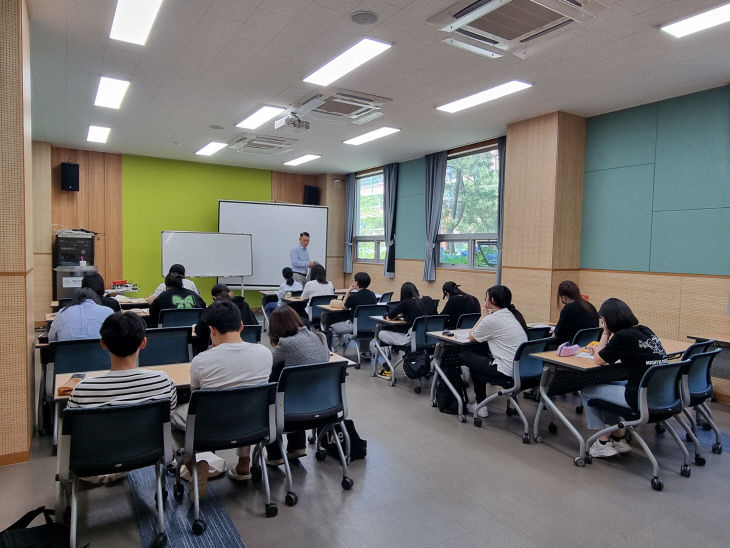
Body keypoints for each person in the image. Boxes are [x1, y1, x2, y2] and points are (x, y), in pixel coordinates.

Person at [171, 300, 273, 492]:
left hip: (211, 426)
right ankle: (244, 463)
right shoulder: (264, 353)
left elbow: (195, 398)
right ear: (241, 326)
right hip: (253, 422)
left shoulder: (201, 361)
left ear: (212, 331)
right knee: (245, 401)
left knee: (171, 415)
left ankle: (191, 465)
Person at [67, 312, 177, 484]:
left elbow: (72, 431)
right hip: (149, 452)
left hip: (98, 460)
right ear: (144, 342)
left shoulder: (83, 389)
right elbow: (169, 416)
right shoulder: (164, 381)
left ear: (102, 343)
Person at [582, 298, 668, 458]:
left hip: (638, 399)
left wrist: (605, 333)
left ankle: (602, 442)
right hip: (663, 397)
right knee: (610, 386)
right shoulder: (645, 330)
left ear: (608, 321)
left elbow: (599, 360)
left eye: (603, 321)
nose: (603, 324)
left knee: (588, 390)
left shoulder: (622, 336)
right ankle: (619, 438)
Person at [266, 306, 329, 465]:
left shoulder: (286, 344)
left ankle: (275, 456)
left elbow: (268, 365)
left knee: (270, 398)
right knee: (297, 385)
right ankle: (297, 446)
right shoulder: (321, 336)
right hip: (323, 403)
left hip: (295, 408)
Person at [459, 285, 528, 418]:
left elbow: (471, 336)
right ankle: (480, 403)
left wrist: (483, 316)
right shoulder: (510, 315)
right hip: (520, 369)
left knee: (464, 356)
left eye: (486, 298)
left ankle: (480, 405)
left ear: (492, 300)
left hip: (505, 370)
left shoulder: (492, 319)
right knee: (479, 360)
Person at [375, 282, 437, 378]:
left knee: (381, 333)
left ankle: (388, 368)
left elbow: (389, 317)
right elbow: (435, 316)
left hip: (413, 340)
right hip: (432, 340)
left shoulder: (406, 302)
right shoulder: (428, 299)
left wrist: (398, 316)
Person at [329, 272, 378, 353]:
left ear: (356, 283)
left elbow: (343, 306)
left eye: (354, 280)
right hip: (370, 326)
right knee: (363, 324)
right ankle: (365, 351)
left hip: (354, 326)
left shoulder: (353, 296)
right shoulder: (372, 295)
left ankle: (336, 353)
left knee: (333, 328)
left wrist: (348, 292)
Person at [48, 288, 114, 342]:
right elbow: (116, 337)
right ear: (96, 299)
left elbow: (51, 338)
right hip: (102, 357)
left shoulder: (62, 313)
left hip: (67, 356)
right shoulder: (108, 311)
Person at [552, 280, 599, 345]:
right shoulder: (590, 306)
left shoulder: (568, 308)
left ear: (563, 297)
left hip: (571, 347)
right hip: (589, 346)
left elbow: (557, 334)